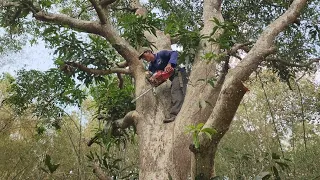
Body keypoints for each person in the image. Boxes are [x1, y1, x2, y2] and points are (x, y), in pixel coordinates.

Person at [139, 48, 187, 123]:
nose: (143, 58)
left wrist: (170, 64)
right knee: (173, 92)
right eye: (142, 58)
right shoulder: (151, 67)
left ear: (148, 52)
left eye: (143, 56)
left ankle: (174, 115)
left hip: (179, 73)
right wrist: (155, 80)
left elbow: (174, 53)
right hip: (172, 78)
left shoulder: (161, 54)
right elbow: (161, 77)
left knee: (176, 92)